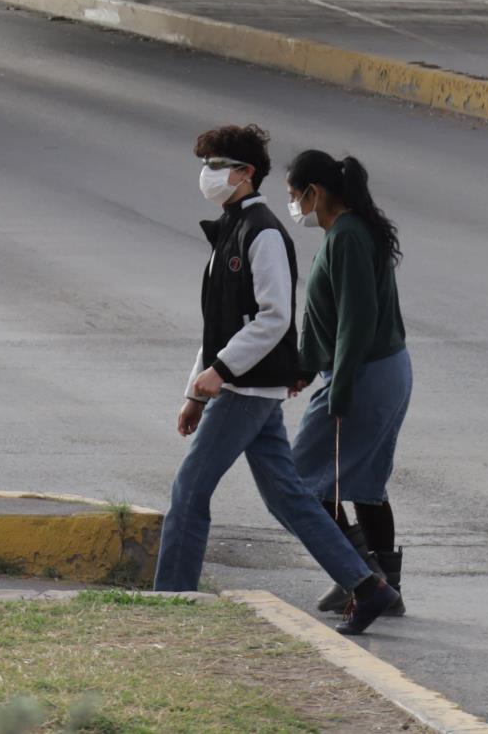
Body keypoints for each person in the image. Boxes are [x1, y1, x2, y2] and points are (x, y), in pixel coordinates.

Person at [154, 125, 400, 635]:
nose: (208, 175)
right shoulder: (231, 229)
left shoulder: (264, 233)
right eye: (206, 165)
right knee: (287, 497)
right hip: (242, 386)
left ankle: (170, 604)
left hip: (247, 388)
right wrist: (193, 392)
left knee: (189, 491)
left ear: (246, 173)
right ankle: (368, 586)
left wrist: (219, 374)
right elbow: (218, 327)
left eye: (218, 166)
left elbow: (273, 319)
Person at [285, 150, 413, 617]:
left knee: (296, 480)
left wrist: (338, 388)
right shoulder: (347, 232)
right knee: (362, 483)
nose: (294, 206)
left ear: (315, 193)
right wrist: (305, 367)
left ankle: (362, 577)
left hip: (363, 376)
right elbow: (332, 318)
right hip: (375, 371)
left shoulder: (348, 237)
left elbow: (356, 322)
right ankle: (380, 585)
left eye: (294, 196)